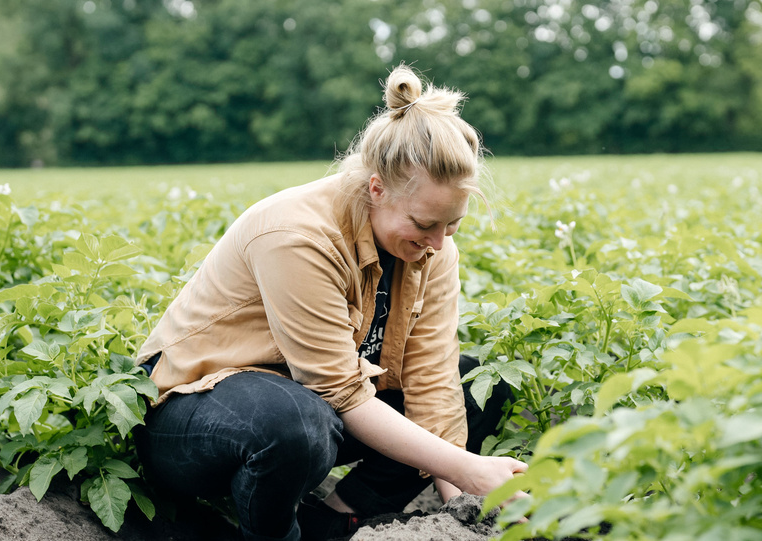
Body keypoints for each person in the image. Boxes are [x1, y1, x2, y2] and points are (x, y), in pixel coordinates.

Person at [133, 64, 526, 541]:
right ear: (376, 188)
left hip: (309, 406)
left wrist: (463, 508)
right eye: (425, 224)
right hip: (192, 415)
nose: (439, 243)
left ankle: (335, 519)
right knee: (297, 423)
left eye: (452, 226)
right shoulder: (298, 235)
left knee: (473, 385)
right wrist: (471, 470)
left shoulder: (433, 251)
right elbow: (338, 391)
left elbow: (432, 382)